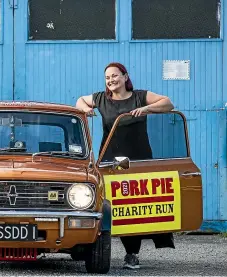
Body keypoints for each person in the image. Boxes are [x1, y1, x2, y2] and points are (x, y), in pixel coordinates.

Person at [75, 62, 175, 269]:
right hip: (112, 160)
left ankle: (132, 254)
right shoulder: (101, 99)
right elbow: (79, 101)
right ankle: (95, 248)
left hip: (138, 158)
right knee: (112, 205)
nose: (111, 80)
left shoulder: (140, 96)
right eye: (107, 78)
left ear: (125, 76)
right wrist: (85, 109)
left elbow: (168, 104)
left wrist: (147, 108)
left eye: (114, 76)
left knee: (136, 206)